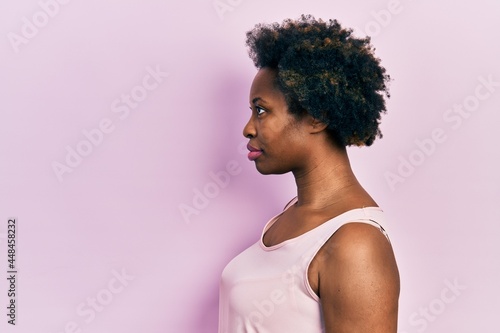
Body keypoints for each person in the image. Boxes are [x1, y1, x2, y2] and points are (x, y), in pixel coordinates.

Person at [218, 15, 400, 333]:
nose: (248, 128)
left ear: (317, 116)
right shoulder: (291, 214)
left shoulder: (356, 244)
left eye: (261, 110)